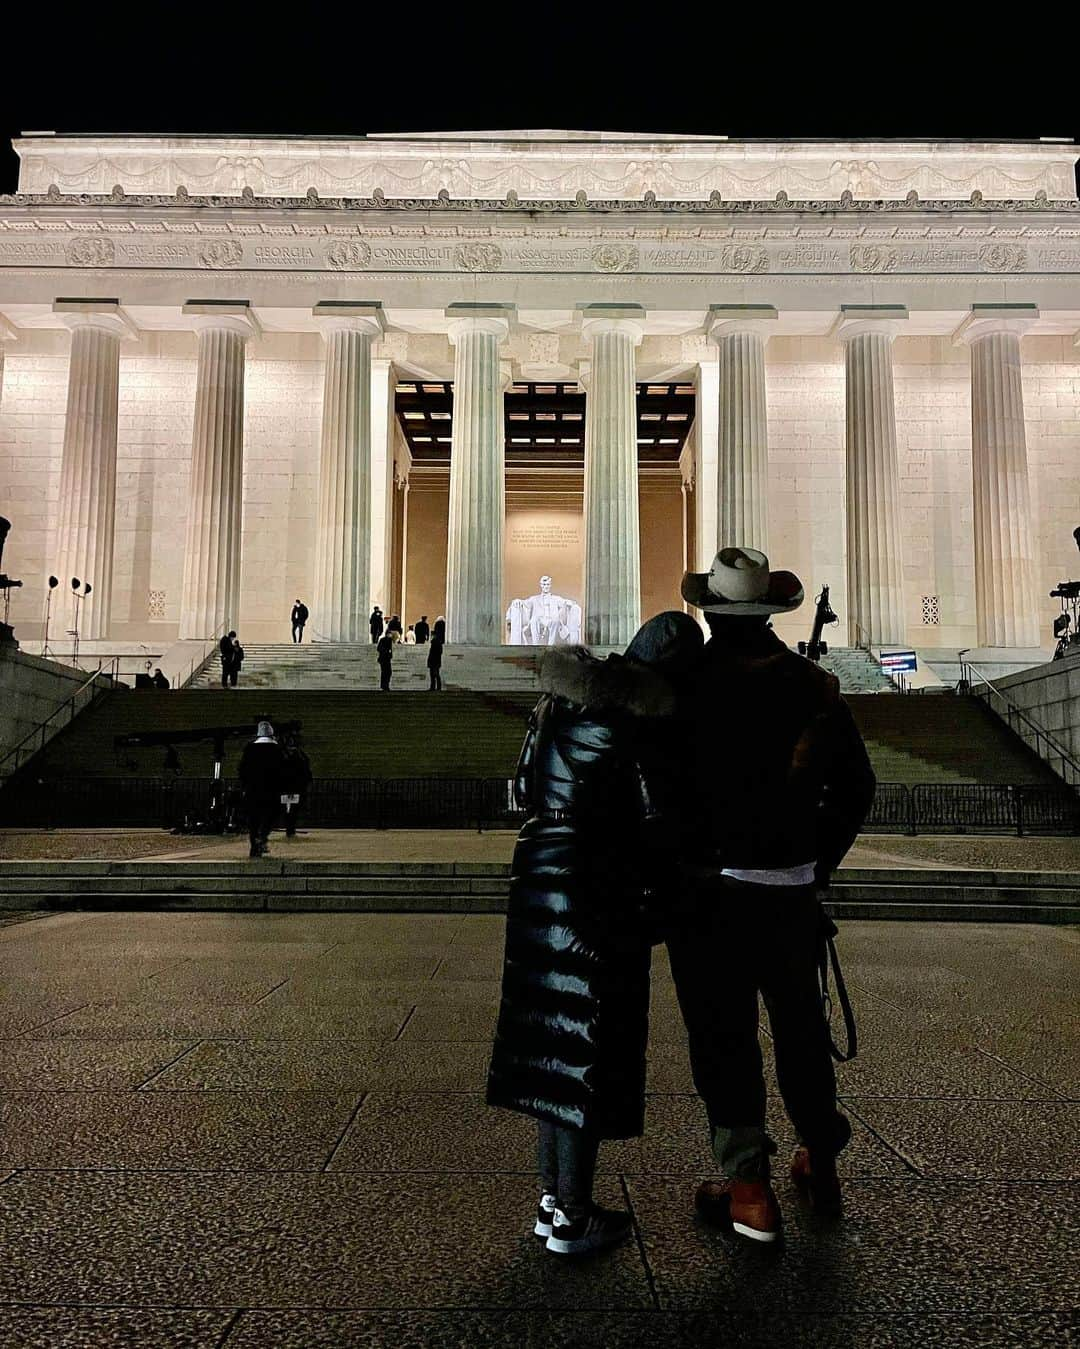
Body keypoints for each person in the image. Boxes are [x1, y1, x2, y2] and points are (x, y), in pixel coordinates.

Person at [669, 547, 876, 1244]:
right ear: (769, 611)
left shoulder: (689, 685)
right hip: (790, 892)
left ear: (712, 609)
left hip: (713, 893)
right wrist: (815, 861)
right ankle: (821, 1158)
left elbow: (660, 792)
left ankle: (750, 1189)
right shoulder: (812, 684)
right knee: (801, 1033)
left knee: (723, 1036)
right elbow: (857, 788)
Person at [487, 612, 704, 1258]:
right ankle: (576, 1216)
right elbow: (655, 820)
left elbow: (523, 786)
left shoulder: (555, 705)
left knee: (554, 1044)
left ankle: (554, 1201)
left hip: (538, 882)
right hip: (594, 889)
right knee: (584, 1048)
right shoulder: (634, 724)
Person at [239, 720, 285, 858]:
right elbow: (283, 771)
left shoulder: (250, 749)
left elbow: (242, 770)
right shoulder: (277, 750)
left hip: (253, 789)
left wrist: (244, 785)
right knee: (271, 814)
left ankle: (254, 844)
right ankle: (263, 835)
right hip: (272, 789)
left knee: (253, 817)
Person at [280, 732, 313, 838]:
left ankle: (290, 829)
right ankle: (290, 829)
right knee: (292, 809)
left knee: (290, 809)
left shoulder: (288, 756)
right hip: (294, 786)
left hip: (289, 786)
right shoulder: (300, 756)